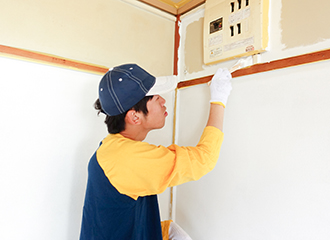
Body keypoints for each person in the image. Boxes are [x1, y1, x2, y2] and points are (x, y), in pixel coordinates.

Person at [79, 63, 232, 240]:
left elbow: (115, 220)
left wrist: (164, 230)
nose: (163, 100)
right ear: (134, 116)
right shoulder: (129, 158)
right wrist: (219, 99)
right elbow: (204, 159)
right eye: (154, 97)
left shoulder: (110, 147)